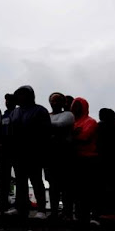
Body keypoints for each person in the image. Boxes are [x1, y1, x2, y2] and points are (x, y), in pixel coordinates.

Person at [6, 85, 50, 219]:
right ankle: (20, 207)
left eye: (21, 94)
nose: (18, 97)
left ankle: (41, 209)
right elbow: (10, 132)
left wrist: (42, 150)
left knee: (36, 180)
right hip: (18, 151)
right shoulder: (15, 112)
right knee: (20, 181)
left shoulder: (40, 110)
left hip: (34, 152)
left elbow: (46, 133)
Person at [46, 92, 75, 220]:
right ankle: (53, 211)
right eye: (53, 100)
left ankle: (67, 212)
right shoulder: (47, 116)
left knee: (66, 184)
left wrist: (41, 125)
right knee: (52, 184)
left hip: (63, 152)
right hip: (50, 153)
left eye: (58, 100)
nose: (55, 102)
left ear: (64, 103)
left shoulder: (68, 115)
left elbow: (60, 125)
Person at [71, 97, 99, 224]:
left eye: (78, 105)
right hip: (76, 158)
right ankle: (79, 215)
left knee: (88, 189)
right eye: (73, 105)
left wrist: (71, 136)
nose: (74, 107)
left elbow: (85, 137)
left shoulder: (91, 121)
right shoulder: (72, 122)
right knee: (77, 189)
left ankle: (91, 216)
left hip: (88, 159)